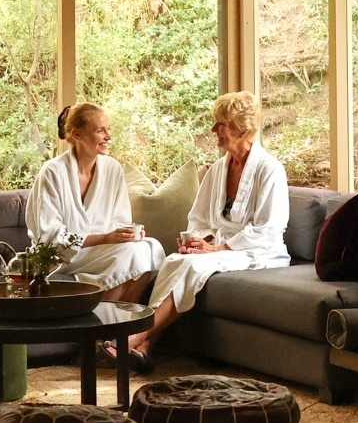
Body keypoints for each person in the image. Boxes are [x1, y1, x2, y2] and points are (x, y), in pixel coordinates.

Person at [123, 91, 289, 370]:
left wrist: (217, 249)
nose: (214, 130)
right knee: (176, 260)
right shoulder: (217, 169)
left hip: (257, 251)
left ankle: (135, 337)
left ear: (242, 128)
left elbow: (269, 229)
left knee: (194, 268)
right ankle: (147, 347)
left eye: (221, 124)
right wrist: (199, 241)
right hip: (221, 250)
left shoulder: (270, 170)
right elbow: (199, 217)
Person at [26, 103, 165, 305]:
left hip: (102, 253)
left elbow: (120, 220)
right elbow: (50, 239)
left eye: (108, 130)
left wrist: (126, 235)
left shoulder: (112, 169)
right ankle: (104, 325)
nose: (108, 136)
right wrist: (105, 238)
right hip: (59, 257)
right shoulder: (53, 172)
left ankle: (116, 326)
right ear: (77, 134)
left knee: (150, 247)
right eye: (100, 131)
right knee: (137, 253)